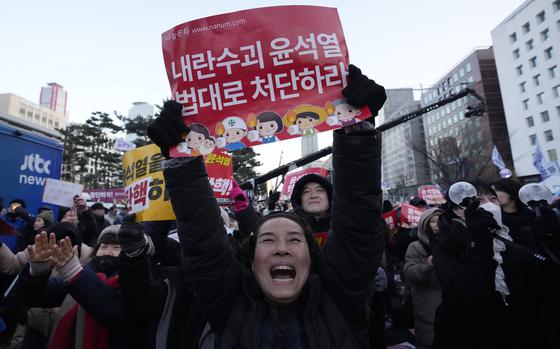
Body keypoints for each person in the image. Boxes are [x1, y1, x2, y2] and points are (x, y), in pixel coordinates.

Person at [147, 64, 387, 347]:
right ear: (251, 259)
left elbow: (357, 226)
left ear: (312, 258)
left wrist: (356, 128)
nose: (282, 248)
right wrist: (182, 154)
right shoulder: (230, 306)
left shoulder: (340, 299)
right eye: (268, 240)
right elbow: (202, 239)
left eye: (295, 239)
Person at [432, 182, 514, 349]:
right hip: (469, 335)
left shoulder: (510, 238)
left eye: (493, 199)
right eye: (478, 200)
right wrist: (480, 245)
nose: (490, 205)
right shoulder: (446, 244)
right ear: (457, 210)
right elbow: (461, 293)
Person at [404, 208, 443, 349]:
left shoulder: (453, 244)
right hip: (428, 309)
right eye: (432, 221)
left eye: (440, 220)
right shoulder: (416, 247)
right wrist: (427, 266)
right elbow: (411, 273)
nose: (437, 224)